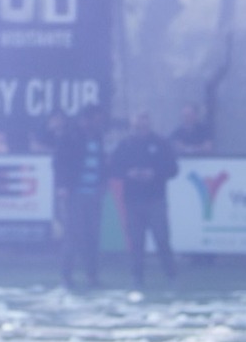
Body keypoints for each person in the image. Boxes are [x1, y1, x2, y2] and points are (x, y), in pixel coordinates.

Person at [109, 110, 179, 286]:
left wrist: (154, 173)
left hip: (155, 199)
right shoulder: (125, 145)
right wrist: (128, 173)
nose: (140, 128)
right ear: (132, 126)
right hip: (132, 200)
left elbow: (173, 169)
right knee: (136, 242)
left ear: (149, 124)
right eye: (136, 125)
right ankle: (137, 277)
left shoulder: (161, 143)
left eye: (143, 124)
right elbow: (112, 168)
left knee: (162, 239)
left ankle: (171, 275)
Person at [46, 105, 105, 291]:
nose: (98, 123)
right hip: (75, 194)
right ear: (85, 119)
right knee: (72, 235)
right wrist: (62, 187)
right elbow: (58, 163)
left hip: (93, 194)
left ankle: (92, 275)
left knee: (92, 236)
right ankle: (66, 276)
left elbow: (101, 163)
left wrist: (102, 184)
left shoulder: (97, 137)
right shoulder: (70, 137)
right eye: (95, 119)